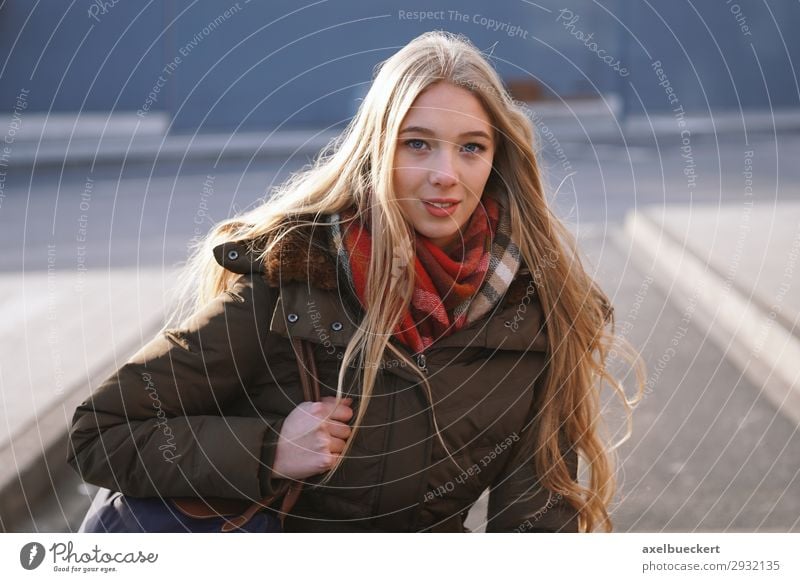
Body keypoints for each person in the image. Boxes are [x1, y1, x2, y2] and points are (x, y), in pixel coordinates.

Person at [67, 30, 644, 533]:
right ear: (378, 151)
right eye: (417, 144)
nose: (446, 175)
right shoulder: (290, 278)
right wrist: (269, 449)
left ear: (496, 160)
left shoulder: (536, 315)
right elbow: (101, 431)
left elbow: (537, 522)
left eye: (471, 148)